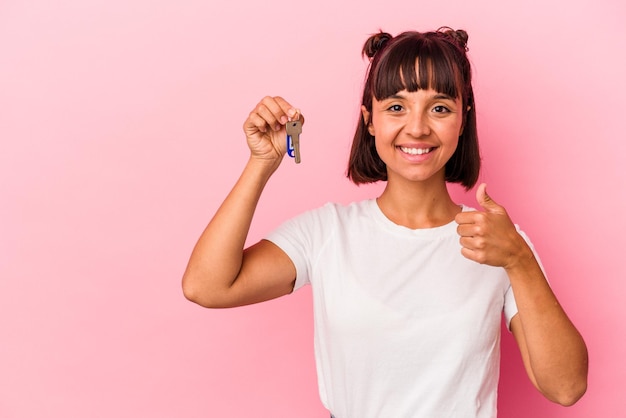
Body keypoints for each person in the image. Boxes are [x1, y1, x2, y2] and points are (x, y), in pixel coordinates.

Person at [182, 27, 588, 417]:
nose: (416, 127)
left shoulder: (500, 243)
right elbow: (207, 286)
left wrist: (519, 260)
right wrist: (261, 163)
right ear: (369, 119)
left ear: (462, 119)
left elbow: (566, 387)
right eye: (396, 107)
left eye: (440, 108)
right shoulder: (327, 233)